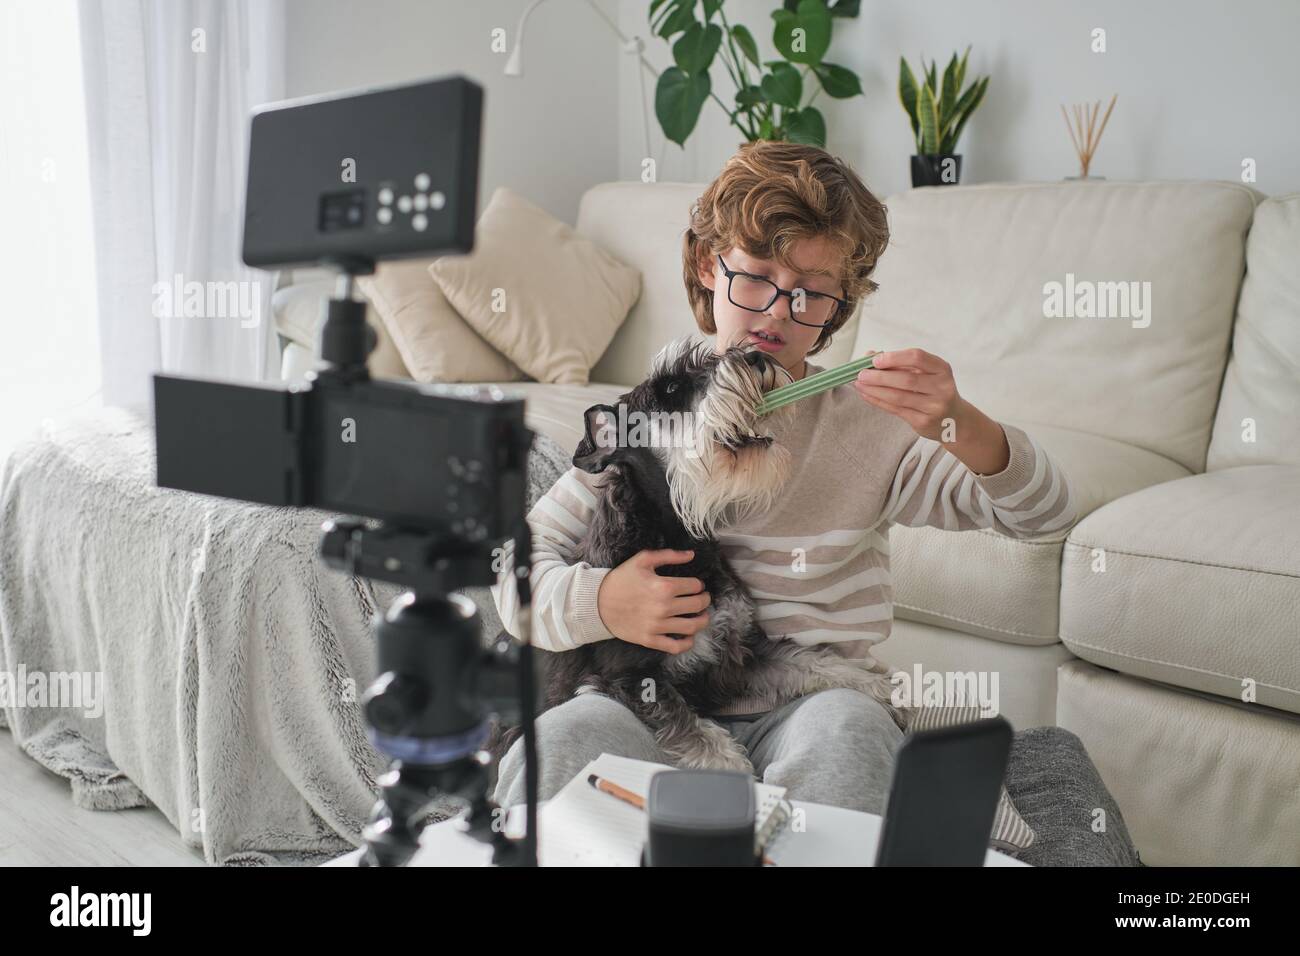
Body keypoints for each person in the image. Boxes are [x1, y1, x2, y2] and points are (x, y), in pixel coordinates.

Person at [490, 140, 1076, 816]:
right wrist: (604, 601)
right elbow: (515, 567)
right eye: (757, 277)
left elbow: (1043, 515)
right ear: (711, 268)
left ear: (839, 306)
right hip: (649, 708)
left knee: (850, 734)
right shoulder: (650, 415)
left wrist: (959, 423)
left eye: (810, 294)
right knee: (563, 737)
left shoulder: (874, 429)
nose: (775, 313)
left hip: (810, 701)